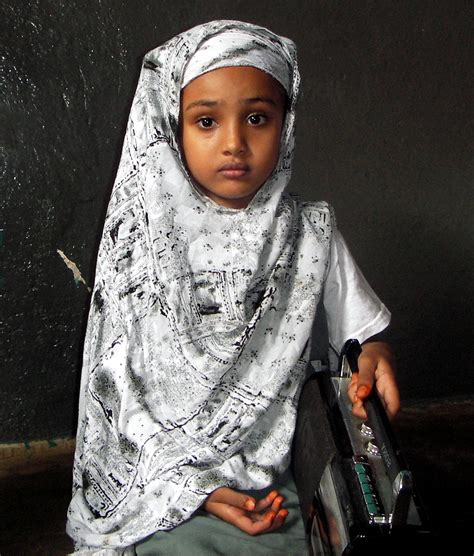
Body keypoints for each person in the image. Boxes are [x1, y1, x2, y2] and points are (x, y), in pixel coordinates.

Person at [67, 20, 400, 555]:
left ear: (286, 126)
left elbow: (362, 336)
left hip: (267, 472)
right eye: (205, 121)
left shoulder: (308, 234)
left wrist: (371, 359)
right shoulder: (144, 242)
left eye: (256, 118)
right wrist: (192, 488)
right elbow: (118, 387)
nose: (234, 143)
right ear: (171, 129)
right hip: (161, 473)